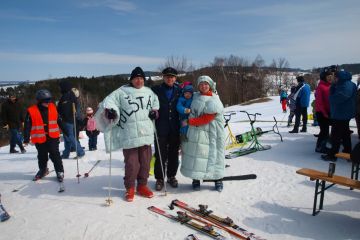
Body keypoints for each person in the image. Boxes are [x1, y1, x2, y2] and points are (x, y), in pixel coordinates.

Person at [95, 66, 159, 202]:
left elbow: (155, 104)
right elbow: (109, 102)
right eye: (136, 78)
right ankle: (129, 187)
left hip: (146, 133)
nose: (139, 81)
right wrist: (111, 111)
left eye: (141, 78)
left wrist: (155, 112)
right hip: (129, 134)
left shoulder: (149, 92)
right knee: (132, 164)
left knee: (146, 163)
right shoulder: (121, 92)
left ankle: (142, 185)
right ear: (131, 79)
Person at [180, 75, 226, 192]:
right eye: (201, 84)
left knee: (214, 156)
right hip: (196, 132)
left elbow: (207, 118)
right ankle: (196, 179)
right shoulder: (195, 96)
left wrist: (189, 121)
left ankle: (217, 179)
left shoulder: (214, 99)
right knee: (196, 155)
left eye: (205, 84)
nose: (203, 86)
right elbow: (184, 96)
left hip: (212, 133)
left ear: (209, 85)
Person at [23, 89, 67, 182]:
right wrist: (26, 138)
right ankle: (43, 170)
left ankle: (59, 171)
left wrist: (66, 130)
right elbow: (27, 125)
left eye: (49, 100)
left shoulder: (53, 107)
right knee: (42, 155)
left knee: (55, 154)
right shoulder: (31, 111)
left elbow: (59, 120)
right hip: (39, 138)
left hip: (52, 137)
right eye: (45, 101)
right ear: (39, 101)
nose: (48, 103)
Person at [151, 67, 181, 191]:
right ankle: (159, 178)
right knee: (160, 154)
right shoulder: (155, 90)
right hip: (160, 127)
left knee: (174, 154)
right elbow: (149, 104)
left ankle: (171, 176)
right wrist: (151, 112)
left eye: (172, 77)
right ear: (163, 77)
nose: (170, 79)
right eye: (168, 76)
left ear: (175, 78)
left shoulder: (180, 90)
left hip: (175, 127)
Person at [321, 70, 357, 161]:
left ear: (339, 77)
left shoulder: (345, 85)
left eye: (335, 77)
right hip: (344, 113)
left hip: (341, 114)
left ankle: (332, 155)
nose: (333, 79)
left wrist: (331, 94)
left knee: (335, 135)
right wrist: (333, 87)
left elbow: (337, 98)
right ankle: (347, 152)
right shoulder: (347, 84)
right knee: (345, 134)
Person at [57, 81, 85, 159]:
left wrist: (62, 116)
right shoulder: (70, 95)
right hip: (69, 119)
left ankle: (80, 152)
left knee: (70, 137)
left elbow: (65, 109)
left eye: (61, 87)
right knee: (67, 137)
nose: (60, 89)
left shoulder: (66, 96)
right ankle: (66, 153)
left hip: (67, 120)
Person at [314, 67, 333, 153]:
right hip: (321, 113)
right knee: (324, 131)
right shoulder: (321, 87)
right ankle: (319, 147)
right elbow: (319, 103)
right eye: (328, 76)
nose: (330, 78)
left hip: (328, 112)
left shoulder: (330, 86)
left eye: (331, 76)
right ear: (323, 77)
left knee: (326, 131)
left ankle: (323, 146)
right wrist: (325, 113)